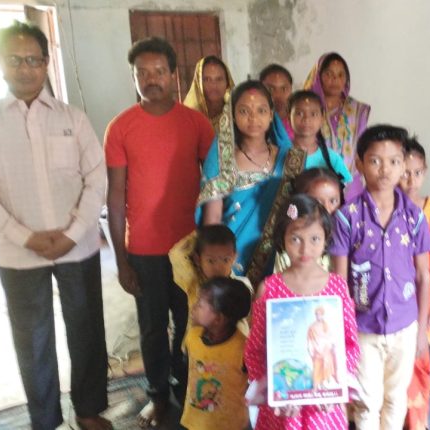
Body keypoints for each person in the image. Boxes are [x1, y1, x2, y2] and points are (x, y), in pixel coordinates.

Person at [0, 21, 110, 430]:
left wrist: (72, 234)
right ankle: (46, 420)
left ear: (45, 63)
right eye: (15, 60)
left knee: (86, 330)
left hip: (78, 247)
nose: (25, 68)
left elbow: (96, 179)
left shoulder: (74, 118)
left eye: (33, 60)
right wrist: (26, 237)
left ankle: (88, 410)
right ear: (0, 63)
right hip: (19, 254)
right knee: (33, 339)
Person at [104, 36, 215, 427]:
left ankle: (188, 392)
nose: (151, 79)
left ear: (173, 75)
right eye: (142, 73)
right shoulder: (121, 127)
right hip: (144, 249)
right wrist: (121, 260)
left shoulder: (196, 123)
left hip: (189, 247)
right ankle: (157, 396)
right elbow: (115, 197)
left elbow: (216, 183)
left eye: (159, 71)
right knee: (152, 328)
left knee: (190, 324)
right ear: (134, 77)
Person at [330, 125, 430, 430]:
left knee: (396, 399)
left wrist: (422, 330)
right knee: (367, 402)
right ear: (359, 164)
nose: (385, 170)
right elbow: (339, 283)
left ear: (403, 165)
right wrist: (343, 331)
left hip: (405, 325)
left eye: (394, 161)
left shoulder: (415, 218)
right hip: (363, 328)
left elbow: (424, 276)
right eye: (375, 161)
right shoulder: (347, 217)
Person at [245, 194, 360, 429]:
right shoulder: (269, 289)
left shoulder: (337, 288)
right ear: (283, 239)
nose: (305, 248)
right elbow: (255, 349)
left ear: (326, 238)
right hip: (283, 411)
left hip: (324, 406)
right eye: (295, 239)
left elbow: (350, 344)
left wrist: (336, 388)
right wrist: (274, 389)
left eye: (314, 238)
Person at [198, 80, 305, 285]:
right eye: (244, 111)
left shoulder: (290, 159)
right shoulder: (222, 159)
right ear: (232, 115)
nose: (253, 118)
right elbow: (212, 220)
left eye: (261, 110)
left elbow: (300, 214)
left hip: (278, 259)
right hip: (232, 259)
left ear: (271, 114)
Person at [399, 137, 430, 430]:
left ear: (425, 173)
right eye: (405, 173)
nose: (411, 180)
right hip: (395, 295)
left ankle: (417, 421)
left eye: (417, 173)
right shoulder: (386, 207)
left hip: (421, 294)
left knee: (419, 357)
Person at [181, 276, 252, 430]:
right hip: (195, 421)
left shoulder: (243, 349)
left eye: (200, 304)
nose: (194, 306)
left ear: (218, 319)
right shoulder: (192, 338)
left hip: (231, 425)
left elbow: (254, 381)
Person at [303, 52, 370, 200]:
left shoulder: (357, 110)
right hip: (315, 179)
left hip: (350, 182)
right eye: (329, 74)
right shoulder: (306, 108)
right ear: (318, 76)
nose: (335, 80)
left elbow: (362, 147)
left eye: (340, 75)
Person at [168, 224, 253, 332]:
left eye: (226, 260)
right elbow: (176, 254)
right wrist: (198, 236)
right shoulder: (191, 279)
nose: (218, 268)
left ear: (234, 258)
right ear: (197, 259)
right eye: (211, 261)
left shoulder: (239, 290)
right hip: (192, 339)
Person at [273, 168, 342, 273]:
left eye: (333, 201)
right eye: (318, 202)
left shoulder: (344, 237)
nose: (327, 209)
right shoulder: (288, 252)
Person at [288, 90, 352, 185]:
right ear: (289, 117)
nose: (306, 119)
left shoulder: (332, 159)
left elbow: (346, 188)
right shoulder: (278, 154)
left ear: (322, 118)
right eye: (299, 113)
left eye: (313, 114)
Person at [183, 55, 236, 133]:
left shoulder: (235, 113)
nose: (214, 85)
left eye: (219, 79)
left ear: (228, 83)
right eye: (207, 79)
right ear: (199, 84)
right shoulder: (188, 117)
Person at [260, 63, 294, 139]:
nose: (278, 95)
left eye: (284, 89)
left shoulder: (300, 121)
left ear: (291, 90)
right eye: (270, 89)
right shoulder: (255, 123)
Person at [307, 306, 338, 389]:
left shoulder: (327, 325)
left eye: (320, 314)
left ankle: (324, 384)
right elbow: (310, 340)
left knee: (326, 367)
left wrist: (331, 345)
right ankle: (316, 386)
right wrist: (311, 350)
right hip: (317, 351)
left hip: (326, 350)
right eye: (317, 314)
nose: (318, 316)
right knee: (317, 368)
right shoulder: (312, 327)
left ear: (323, 315)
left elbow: (331, 338)